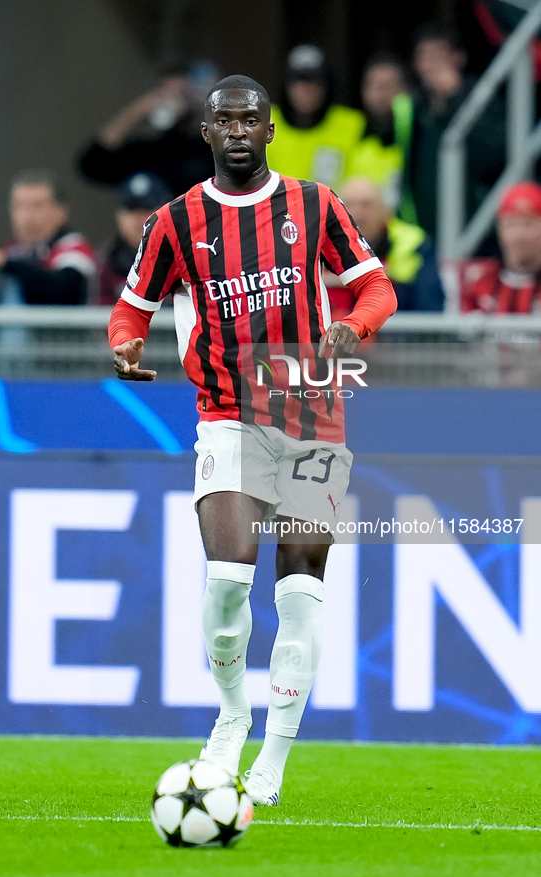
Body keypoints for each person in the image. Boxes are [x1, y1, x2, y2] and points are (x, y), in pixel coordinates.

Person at [108, 74, 397, 806]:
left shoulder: (314, 203)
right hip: (228, 414)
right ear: (206, 133)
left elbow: (376, 287)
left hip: (310, 419)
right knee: (227, 583)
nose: (237, 130)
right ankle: (232, 709)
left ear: (270, 131)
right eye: (224, 121)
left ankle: (273, 752)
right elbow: (132, 306)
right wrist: (124, 346)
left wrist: (350, 326)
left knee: (299, 594)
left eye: (250, 120)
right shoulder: (175, 221)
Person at [0, 169, 96, 349]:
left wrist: (7, 265)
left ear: (61, 212)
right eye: (20, 206)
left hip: (58, 356)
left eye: (37, 206)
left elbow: (63, 291)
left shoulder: (73, 246)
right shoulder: (9, 251)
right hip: (1, 354)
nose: (28, 216)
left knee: (10, 284)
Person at [399, 23, 506, 243]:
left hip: (474, 234)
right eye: (424, 58)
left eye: (438, 56)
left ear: (459, 58)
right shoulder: (413, 108)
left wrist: (455, 98)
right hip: (421, 234)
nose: (431, 66)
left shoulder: (482, 98)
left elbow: (494, 157)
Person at [77, 62, 217, 198]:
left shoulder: (219, 152)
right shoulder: (151, 154)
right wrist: (141, 108)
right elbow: (93, 163)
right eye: (164, 93)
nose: (175, 99)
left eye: (184, 93)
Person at [325, 177, 445, 314]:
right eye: (348, 205)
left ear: (386, 211)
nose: (357, 213)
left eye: (367, 205)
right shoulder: (317, 244)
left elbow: (429, 307)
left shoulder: (414, 244)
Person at [266, 45, 365, 191]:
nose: (305, 89)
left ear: (327, 85)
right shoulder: (264, 122)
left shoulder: (352, 124)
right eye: (297, 80)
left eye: (313, 81)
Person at [460, 181, 541, 313]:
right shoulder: (478, 279)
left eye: (529, 224)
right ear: (500, 228)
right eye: (511, 224)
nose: (519, 235)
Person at [95, 172, 173, 305]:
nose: (139, 217)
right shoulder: (102, 263)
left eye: (147, 208)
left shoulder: (185, 261)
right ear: (119, 215)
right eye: (131, 209)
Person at [346, 53, 410, 211]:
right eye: (373, 86)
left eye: (387, 86)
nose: (380, 95)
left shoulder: (417, 136)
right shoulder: (350, 133)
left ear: (404, 90)